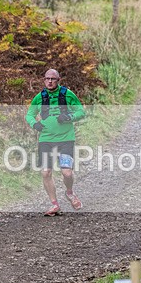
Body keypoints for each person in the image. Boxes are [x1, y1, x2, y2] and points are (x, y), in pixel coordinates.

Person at [25, 69, 85, 216]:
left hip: (66, 140)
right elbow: (29, 115)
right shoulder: (39, 97)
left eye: (53, 79)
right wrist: (34, 124)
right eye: (47, 79)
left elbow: (81, 112)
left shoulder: (67, 94)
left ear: (58, 80)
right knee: (46, 172)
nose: (50, 81)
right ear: (44, 80)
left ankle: (69, 192)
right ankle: (54, 204)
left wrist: (68, 117)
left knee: (67, 173)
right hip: (46, 140)